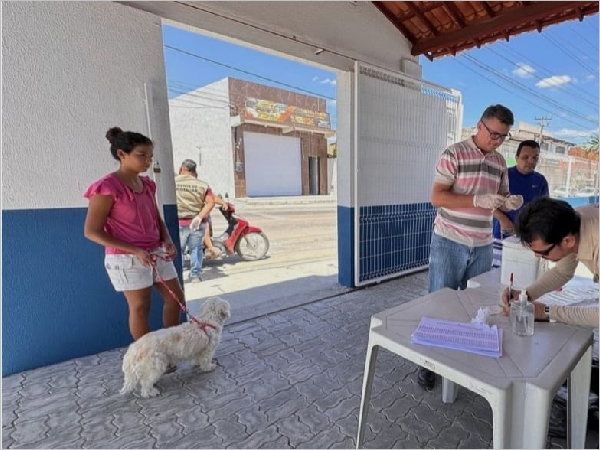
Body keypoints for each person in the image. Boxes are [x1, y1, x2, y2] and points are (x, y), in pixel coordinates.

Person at [420, 104, 518, 390]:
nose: (497, 141)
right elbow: (437, 197)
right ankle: (427, 362)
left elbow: (499, 197)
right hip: (450, 240)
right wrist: (476, 200)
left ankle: (463, 359)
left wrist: (508, 204)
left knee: (476, 306)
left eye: (503, 136)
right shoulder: (454, 154)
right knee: (439, 303)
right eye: (493, 134)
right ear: (479, 125)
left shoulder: (500, 162)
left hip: (484, 243)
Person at [84, 128, 183, 373]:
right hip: (126, 259)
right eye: (142, 155)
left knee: (175, 299)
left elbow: (155, 217)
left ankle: (168, 352)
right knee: (140, 308)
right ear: (122, 154)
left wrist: (167, 240)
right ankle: (148, 359)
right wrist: (134, 250)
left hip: (156, 252)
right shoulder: (107, 187)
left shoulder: (147, 184)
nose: (148, 161)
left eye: (150, 156)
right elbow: (92, 231)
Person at [501, 198, 599, 327]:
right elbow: (561, 272)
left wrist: (546, 312)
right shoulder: (568, 223)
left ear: (568, 241)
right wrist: (526, 294)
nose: (537, 257)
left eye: (543, 252)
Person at [492, 140, 549, 267]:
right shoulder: (503, 176)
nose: (530, 161)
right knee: (496, 275)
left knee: (520, 274)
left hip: (527, 239)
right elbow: (489, 203)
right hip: (501, 235)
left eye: (535, 158)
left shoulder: (540, 181)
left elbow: (544, 211)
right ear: (517, 158)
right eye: (525, 157)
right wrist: (502, 219)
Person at [175, 159, 215, 282]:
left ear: (182, 169)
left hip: (179, 223)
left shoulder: (173, 182)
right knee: (196, 249)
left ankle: (178, 276)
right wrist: (199, 216)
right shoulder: (202, 184)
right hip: (196, 223)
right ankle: (195, 276)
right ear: (194, 170)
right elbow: (211, 202)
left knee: (179, 250)